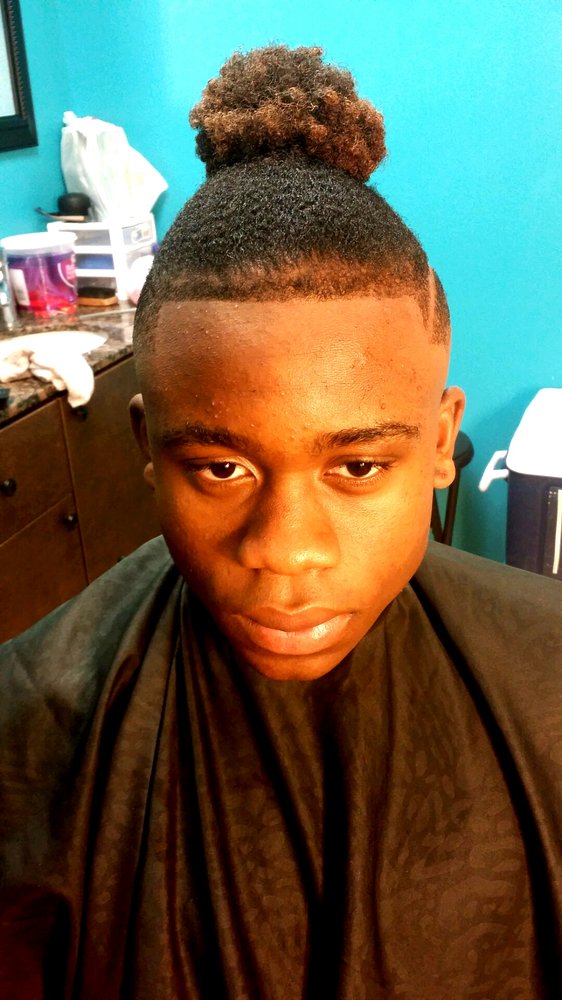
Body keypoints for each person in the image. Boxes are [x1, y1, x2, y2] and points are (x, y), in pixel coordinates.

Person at [0, 44, 560, 1000]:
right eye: (222, 467)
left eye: (358, 466)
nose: (286, 550)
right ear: (147, 444)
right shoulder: (31, 730)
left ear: (440, 443)